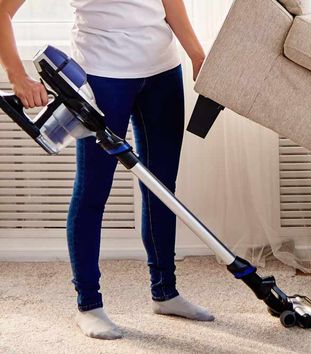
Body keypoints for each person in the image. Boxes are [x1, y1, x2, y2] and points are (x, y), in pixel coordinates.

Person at [0, 0, 213, 340]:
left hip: (162, 71)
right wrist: (17, 75)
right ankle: (89, 304)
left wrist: (197, 54)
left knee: (161, 188)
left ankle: (165, 291)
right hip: (102, 76)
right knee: (92, 191)